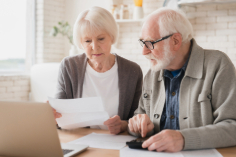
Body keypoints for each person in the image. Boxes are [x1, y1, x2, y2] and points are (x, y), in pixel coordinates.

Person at [128, 7, 236, 152]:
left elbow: (232, 127)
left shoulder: (218, 65)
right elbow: (138, 119)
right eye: (143, 43)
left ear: (175, 41)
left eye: (150, 43)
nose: (144, 51)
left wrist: (184, 139)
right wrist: (137, 125)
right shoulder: (152, 74)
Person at [52, 6, 143, 135]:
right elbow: (58, 117)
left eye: (101, 39)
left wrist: (123, 125)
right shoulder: (68, 67)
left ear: (111, 37)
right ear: (81, 43)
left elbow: (139, 118)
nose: (95, 47)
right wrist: (51, 114)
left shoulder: (132, 71)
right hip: (79, 141)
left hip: (117, 142)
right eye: (88, 41)